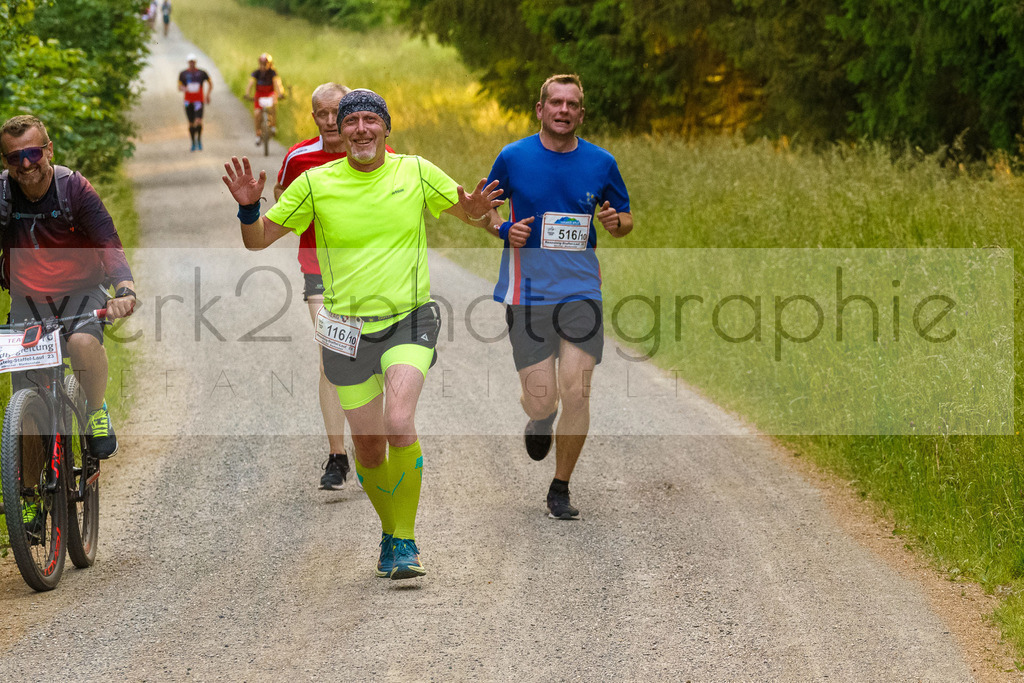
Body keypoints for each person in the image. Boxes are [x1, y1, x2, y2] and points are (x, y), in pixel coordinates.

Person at [222, 89, 502, 580]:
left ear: (386, 129)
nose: (361, 129)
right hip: (346, 330)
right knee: (369, 448)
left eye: (372, 120)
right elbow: (257, 240)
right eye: (352, 122)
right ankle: (390, 533)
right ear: (340, 131)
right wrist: (249, 209)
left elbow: (473, 215)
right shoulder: (315, 182)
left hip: (409, 320)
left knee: (398, 421)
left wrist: (479, 209)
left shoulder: (415, 171)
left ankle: (407, 541)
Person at [483, 74, 633, 520]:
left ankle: (560, 487)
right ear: (540, 109)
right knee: (543, 398)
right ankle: (539, 416)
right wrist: (504, 229)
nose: (564, 110)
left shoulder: (602, 163)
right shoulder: (513, 157)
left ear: (581, 114)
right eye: (556, 103)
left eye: (572, 105)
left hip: (581, 292)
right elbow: (482, 210)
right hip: (526, 294)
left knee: (578, 391)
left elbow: (625, 219)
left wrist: (614, 223)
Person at [272, 82, 390, 492]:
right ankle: (337, 454)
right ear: (313, 116)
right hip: (319, 272)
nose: (328, 122)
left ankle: (370, 442)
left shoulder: (376, 154)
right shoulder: (299, 157)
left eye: (334, 112)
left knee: (372, 357)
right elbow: (281, 200)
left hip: (375, 274)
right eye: (320, 114)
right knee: (332, 355)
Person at [0, 115, 137, 461]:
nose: (26, 164)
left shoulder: (73, 188)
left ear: (48, 150)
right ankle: (28, 502)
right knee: (25, 421)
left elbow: (107, 239)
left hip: (81, 293)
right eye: (15, 157)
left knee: (82, 342)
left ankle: (95, 410)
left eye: (32, 152)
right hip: (27, 302)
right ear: (6, 162)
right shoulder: (2, 195)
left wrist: (124, 289)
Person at [243, 53, 285, 144]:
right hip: (259, 96)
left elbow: (277, 83)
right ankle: (258, 134)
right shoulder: (256, 73)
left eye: (265, 64)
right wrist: (247, 93)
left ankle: (273, 125)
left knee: (273, 105)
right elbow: (250, 84)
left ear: (269, 64)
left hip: (270, 94)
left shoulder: (273, 72)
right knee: (257, 114)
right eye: (262, 64)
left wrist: (280, 93)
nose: (263, 66)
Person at [178, 54, 212, 152]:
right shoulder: (183, 74)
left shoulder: (201, 73)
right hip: (188, 102)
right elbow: (179, 87)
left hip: (198, 101)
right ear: (188, 62)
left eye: (193, 61)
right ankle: (193, 142)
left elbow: (210, 83)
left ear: (195, 62)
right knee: (191, 123)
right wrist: (184, 88)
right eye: (190, 62)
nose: (192, 63)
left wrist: (207, 95)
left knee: (198, 121)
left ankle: (199, 140)